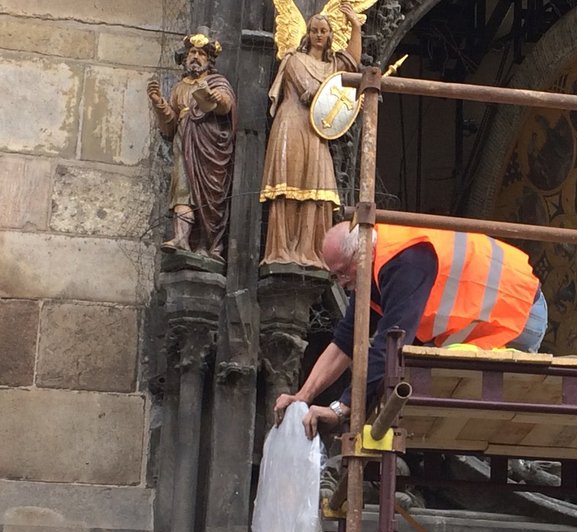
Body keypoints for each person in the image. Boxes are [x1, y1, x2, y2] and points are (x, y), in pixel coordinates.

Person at [273, 222, 548, 436]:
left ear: (362, 254)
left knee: (436, 395)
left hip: (517, 313)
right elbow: (345, 341)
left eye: (343, 272)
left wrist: (341, 408)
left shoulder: (405, 261)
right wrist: (303, 396)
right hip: (494, 319)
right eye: (336, 276)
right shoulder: (371, 268)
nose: (341, 283)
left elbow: (391, 345)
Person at [259, 5, 361, 268]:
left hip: (317, 131)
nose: (318, 35)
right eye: (314, 30)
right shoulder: (294, 60)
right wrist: (330, 91)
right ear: (307, 33)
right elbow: (309, 93)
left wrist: (356, 27)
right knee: (290, 184)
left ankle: (312, 251)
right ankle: (282, 250)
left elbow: (352, 63)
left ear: (330, 35)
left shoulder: (333, 65)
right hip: (292, 125)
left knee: (320, 187)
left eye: (324, 31)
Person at [147, 29, 236, 261]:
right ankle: (181, 239)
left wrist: (216, 98)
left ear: (209, 60)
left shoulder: (217, 82)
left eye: (200, 54)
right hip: (184, 143)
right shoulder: (179, 88)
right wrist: (159, 104)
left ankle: (210, 246)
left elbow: (226, 105)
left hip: (210, 146)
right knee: (183, 191)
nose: (195, 57)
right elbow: (170, 125)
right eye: (192, 53)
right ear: (185, 58)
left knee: (210, 197)